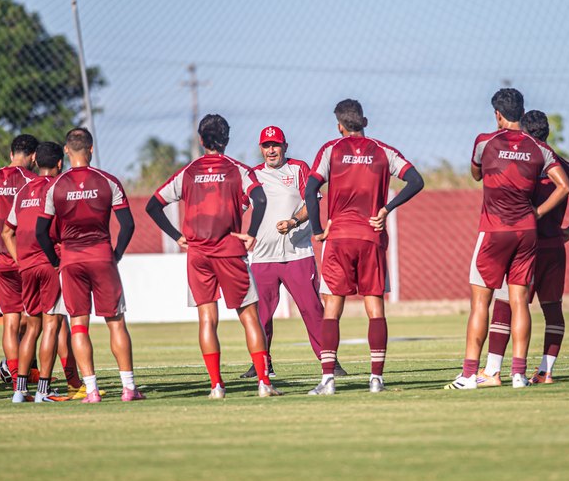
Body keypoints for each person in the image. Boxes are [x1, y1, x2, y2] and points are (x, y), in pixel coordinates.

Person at [146, 114, 281, 399]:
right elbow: (260, 199)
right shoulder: (238, 170)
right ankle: (263, 383)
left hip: (198, 255)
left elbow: (153, 206)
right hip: (230, 251)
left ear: (200, 140)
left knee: (207, 319)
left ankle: (216, 386)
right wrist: (252, 233)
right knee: (249, 317)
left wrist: (176, 236)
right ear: (227, 139)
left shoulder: (189, 172)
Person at [446, 89, 569, 390]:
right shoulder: (538, 148)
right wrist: (537, 212)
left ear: (498, 115)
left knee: (480, 302)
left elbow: (475, 174)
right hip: (526, 232)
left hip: (494, 229)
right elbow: (564, 186)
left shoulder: (484, 141)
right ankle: (518, 374)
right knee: (520, 303)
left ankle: (469, 375)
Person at [304, 99, 425, 395]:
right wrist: (387, 208)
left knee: (332, 308)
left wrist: (319, 230)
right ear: (365, 122)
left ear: (339, 126)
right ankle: (376, 379)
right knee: (375, 308)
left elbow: (310, 190)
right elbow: (415, 180)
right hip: (371, 236)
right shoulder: (383, 151)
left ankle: (328, 380)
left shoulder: (331, 149)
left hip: (339, 238)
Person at [481, 110, 569, 386]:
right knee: (553, 309)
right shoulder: (564, 166)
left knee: (505, 306)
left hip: (524, 245)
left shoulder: (524, 163)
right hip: (555, 248)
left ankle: (493, 371)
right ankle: (546, 371)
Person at [36, 127, 144, 403]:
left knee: (79, 326)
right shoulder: (108, 181)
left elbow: (40, 232)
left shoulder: (56, 186)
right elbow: (128, 224)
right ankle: (129, 388)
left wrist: (56, 261)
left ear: (67, 151)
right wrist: (116, 253)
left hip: (71, 260)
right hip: (102, 256)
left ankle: (92, 390)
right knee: (116, 322)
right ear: (92, 150)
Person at [239, 125, 346, 379]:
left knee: (312, 310)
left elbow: (312, 202)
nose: (271, 150)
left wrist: (294, 222)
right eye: (266, 146)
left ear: (285, 146)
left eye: (276, 145)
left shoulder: (299, 168)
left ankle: (328, 361)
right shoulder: (252, 175)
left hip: (297, 254)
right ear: (261, 149)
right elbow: (238, 208)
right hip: (263, 256)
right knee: (260, 315)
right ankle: (261, 362)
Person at [3, 141, 69, 402]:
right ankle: (43, 391)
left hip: (27, 266)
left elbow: (7, 231)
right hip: (51, 263)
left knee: (32, 328)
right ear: (60, 163)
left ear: (37, 161)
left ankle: (20, 391)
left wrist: (20, 260)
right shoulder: (60, 188)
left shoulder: (23, 191)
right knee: (51, 325)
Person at [0, 135, 38, 387]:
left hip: (0, 259)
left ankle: (17, 374)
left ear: (10, 152)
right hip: (24, 257)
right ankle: (22, 373)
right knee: (32, 318)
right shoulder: (32, 181)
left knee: (11, 320)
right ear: (34, 156)